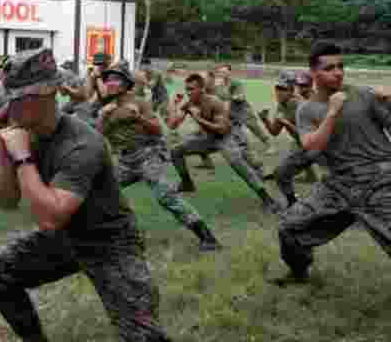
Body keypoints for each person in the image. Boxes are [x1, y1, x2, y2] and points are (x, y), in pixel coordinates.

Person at [0, 48, 253, 342]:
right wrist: (7, 149)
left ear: (47, 93)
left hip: (110, 244)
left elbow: (49, 213)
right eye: (6, 98)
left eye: (17, 97)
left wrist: (26, 158)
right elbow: (7, 198)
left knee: (144, 336)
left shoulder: (81, 142)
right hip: (67, 239)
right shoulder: (24, 129)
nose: (7, 107)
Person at [274, 42, 391, 286]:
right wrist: (332, 112)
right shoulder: (307, 110)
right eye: (329, 68)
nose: (338, 72)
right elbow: (313, 147)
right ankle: (299, 273)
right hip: (339, 183)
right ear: (313, 73)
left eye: (340, 66)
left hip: (379, 180)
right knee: (289, 229)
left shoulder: (364, 96)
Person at [97, 67, 221, 251]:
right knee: (101, 193)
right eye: (108, 80)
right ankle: (129, 235)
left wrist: (138, 118)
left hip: (148, 155)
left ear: (125, 84)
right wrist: (103, 116)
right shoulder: (107, 107)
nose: (110, 83)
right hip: (125, 160)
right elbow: (101, 134)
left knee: (166, 197)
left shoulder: (139, 103)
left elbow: (157, 129)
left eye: (115, 79)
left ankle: (208, 238)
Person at [167, 74, 282, 214]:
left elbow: (223, 129)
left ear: (201, 89)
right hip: (207, 138)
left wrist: (198, 118)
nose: (188, 92)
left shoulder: (214, 102)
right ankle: (187, 183)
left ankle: (268, 199)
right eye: (187, 89)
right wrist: (173, 105)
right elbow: (172, 125)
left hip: (225, 137)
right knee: (175, 151)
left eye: (191, 89)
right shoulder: (189, 104)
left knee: (237, 163)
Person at [257, 71, 320, 206]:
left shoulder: (300, 105)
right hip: (303, 146)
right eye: (277, 88)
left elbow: (309, 136)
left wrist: (286, 123)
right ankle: (293, 202)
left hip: (318, 146)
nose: (278, 92)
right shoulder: (282, 106)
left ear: (291, 90)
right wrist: (265, 120)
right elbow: (274, 132)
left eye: (283, 89)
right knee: (281, 173)